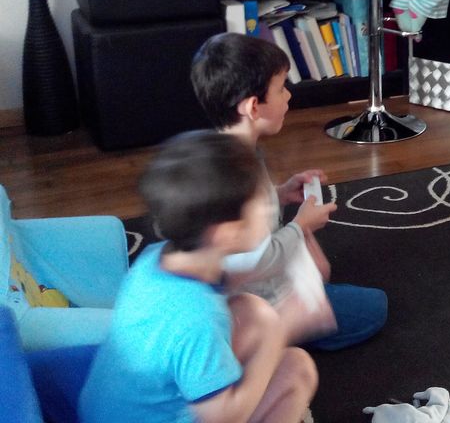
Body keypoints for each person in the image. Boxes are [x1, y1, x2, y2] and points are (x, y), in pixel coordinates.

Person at [78, 130, 317, 423]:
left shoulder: (157, 258)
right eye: (263, 203)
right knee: (296, 367)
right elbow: (226, 417)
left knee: (251, 310)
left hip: (109, 411)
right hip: (208, 413)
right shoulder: (196, 317)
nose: (270, 208)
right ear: (228, 233)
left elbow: (229, 278)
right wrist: (277, 335)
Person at [191, 31, 388, 350]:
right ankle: (272, 335)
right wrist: (301, 226)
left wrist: (281, 193)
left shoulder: (229, 152)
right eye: (281, 88)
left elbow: (248, 217)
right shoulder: (238, 175)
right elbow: (251, 260)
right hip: (255, 302)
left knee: (323, 274)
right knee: (374, 308)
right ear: (253, 107)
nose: (289, 96)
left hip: (246, 287)